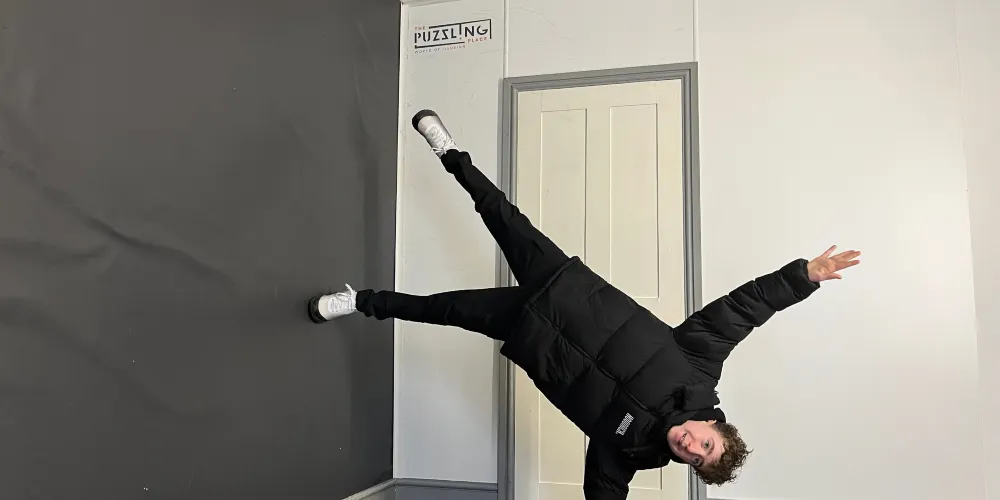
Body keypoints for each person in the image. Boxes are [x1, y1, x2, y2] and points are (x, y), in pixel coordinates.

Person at [308, 110, 861, 499]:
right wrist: (801, 278)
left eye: (695, 458)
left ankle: (360, 301)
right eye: (706, 443)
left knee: (439, 308)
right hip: (564, 286)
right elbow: (740, 311)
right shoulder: (697, 368)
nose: (691, 445)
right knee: (500, 214)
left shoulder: (630, 452)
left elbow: (602, 492)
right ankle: (450, 152)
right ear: (714, 423)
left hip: (527, 330)